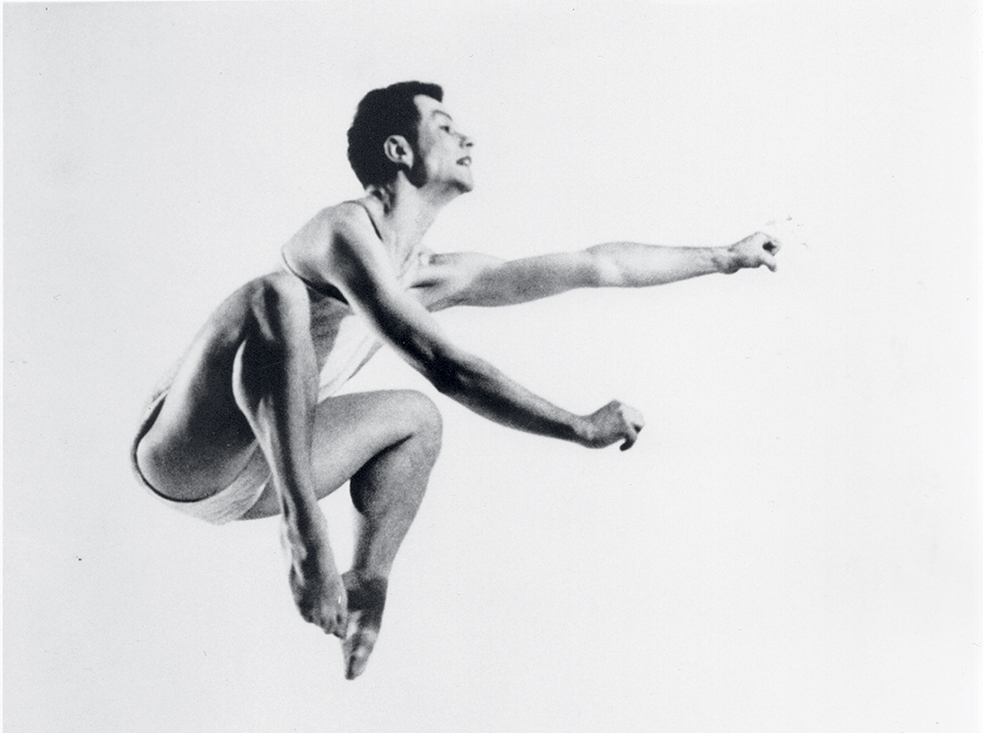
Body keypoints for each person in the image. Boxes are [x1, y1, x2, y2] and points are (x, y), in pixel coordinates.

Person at [133, 81, 780, 679]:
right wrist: (576, 426)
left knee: (416, 419)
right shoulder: (340, 231)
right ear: (399, 149)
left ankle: (369, 582)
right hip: (186, 451)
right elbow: (443, 364)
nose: (466, 139)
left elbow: (596, 264)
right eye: (444, 126)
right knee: (275, 296)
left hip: (261, 473)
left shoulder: (428, 273)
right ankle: (305, 538)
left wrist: (723, 257)